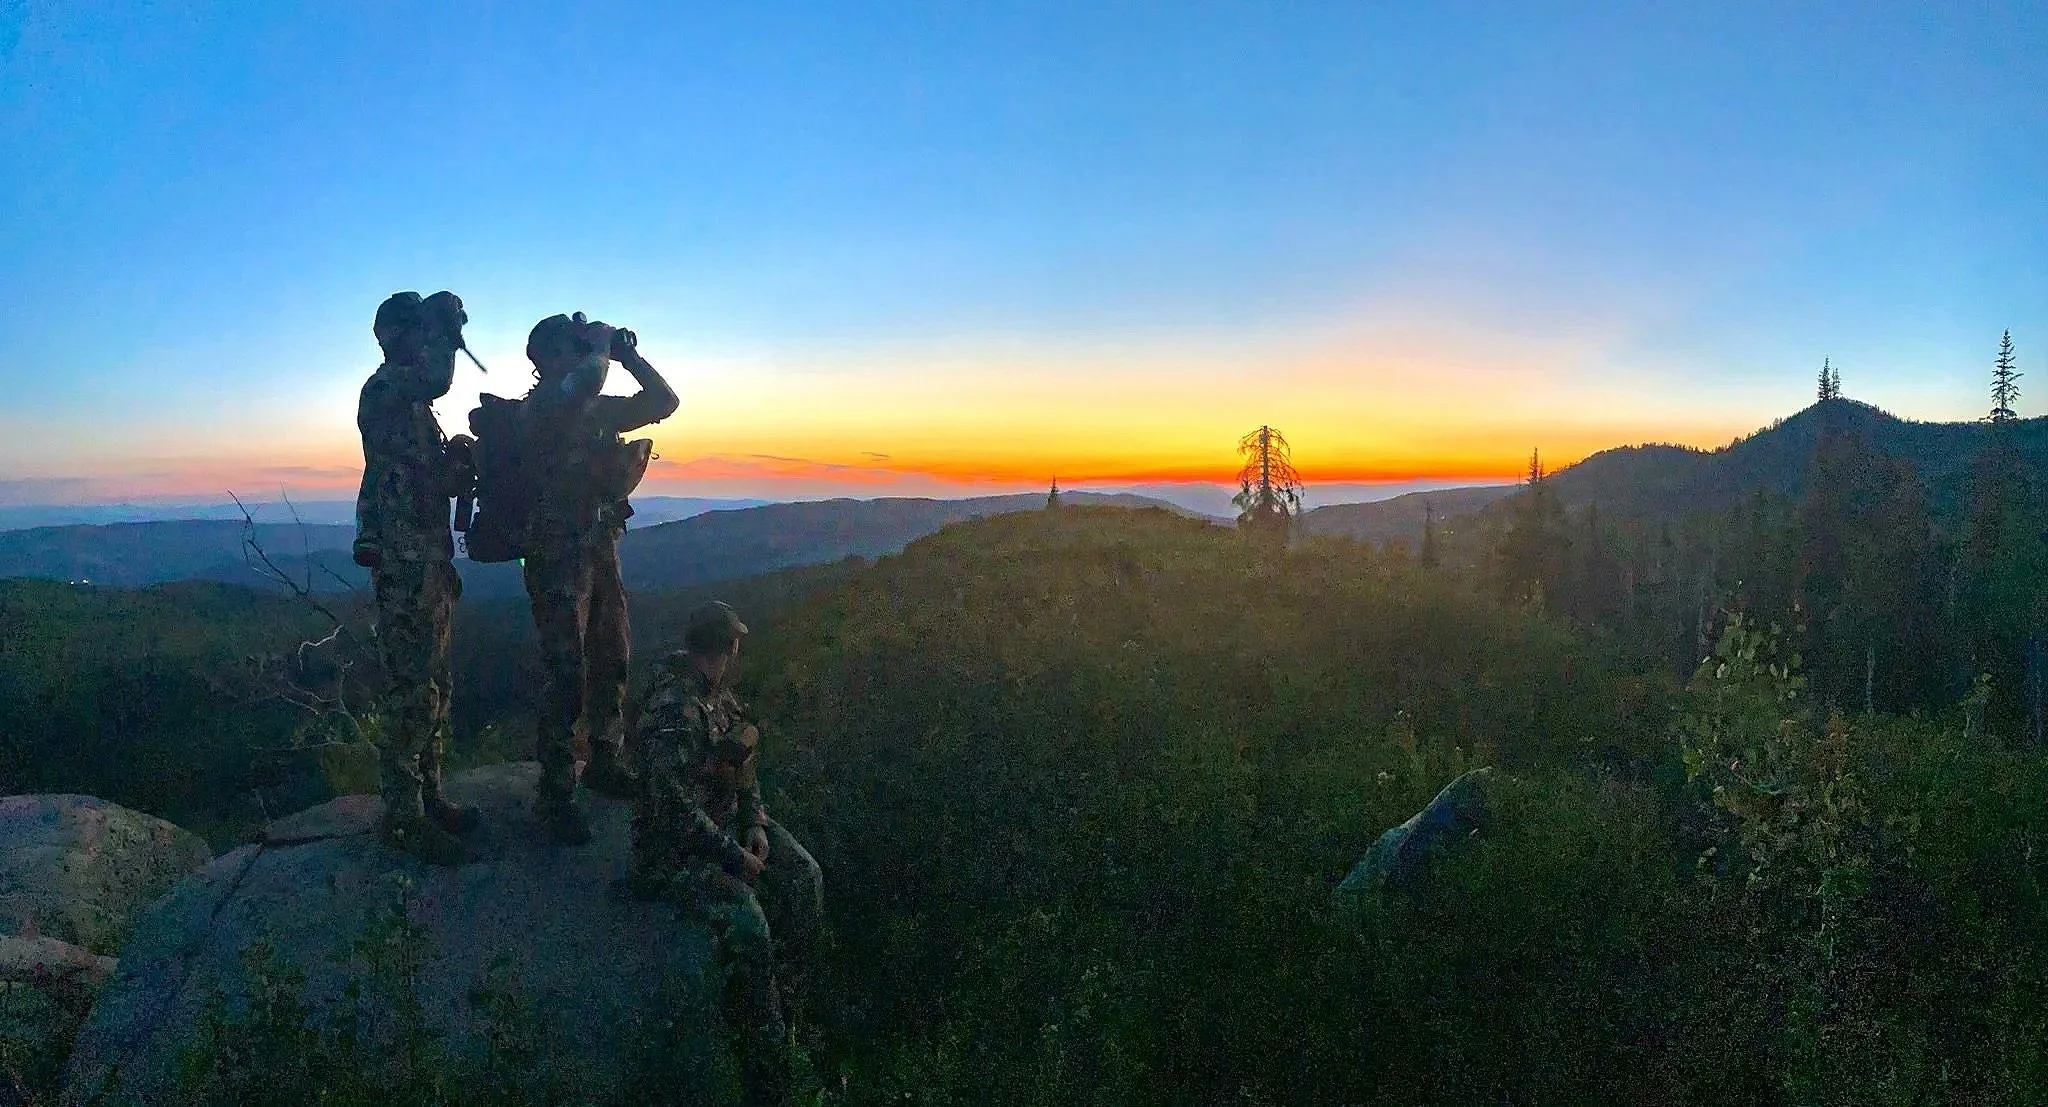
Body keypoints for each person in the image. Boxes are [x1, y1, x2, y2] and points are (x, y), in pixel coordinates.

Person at [627, 602, 823, 1107]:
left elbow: (745, 770)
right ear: (725, 649)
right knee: (749, 923)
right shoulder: (673, 711)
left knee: (804, 875)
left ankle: (788, 1010)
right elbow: (674, 813)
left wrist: (755, 823)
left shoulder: (720, 698)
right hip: (675, 849)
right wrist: (736, 855)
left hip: (728, 825)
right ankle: (765, 1065)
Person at [520, 311, 678, 842]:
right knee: (567, 669)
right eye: (572, 345)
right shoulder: (546, 405)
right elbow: (588, 377)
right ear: (548, 359)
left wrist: (629, 356)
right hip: (555, 553)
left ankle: (605, 759)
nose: (585, 351)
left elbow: (664, 402)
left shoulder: (593, 408)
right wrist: (605, 347)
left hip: (599, 545)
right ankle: (556, 792)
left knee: (612, 654)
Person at [354, 290, 482, 866]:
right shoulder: (384, 389)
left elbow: (420, 478)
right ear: (395, 335)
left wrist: (455, 469)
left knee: (434, 686)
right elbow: (435, 378)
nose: (422, 340)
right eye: (415, 330)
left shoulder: (412, 408)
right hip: (405, 562)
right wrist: (447, 322)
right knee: (410, 689)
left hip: (428, 557)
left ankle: (428, 797)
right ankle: (402, 817)